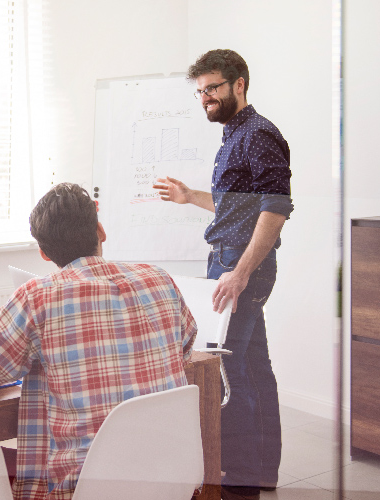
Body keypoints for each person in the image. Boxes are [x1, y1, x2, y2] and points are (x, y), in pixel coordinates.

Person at [0, 182, 198, 500]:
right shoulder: (159, 279)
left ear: (43, 252)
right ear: (101, 231)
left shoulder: (36, 297)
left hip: (86, 488)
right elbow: (186, 345)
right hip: (171, 476)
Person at [153, 49, 292, 500]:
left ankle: (241, 479)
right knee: (254, 366)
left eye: (211, 88)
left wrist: (239, 273)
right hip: (232, 259)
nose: (205, 99)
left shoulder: (259, 135)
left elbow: (275, 209)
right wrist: (190, 196)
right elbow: (242, 207)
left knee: (230, 370)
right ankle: (262, 472)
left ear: (239, 85)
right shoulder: (235, 135)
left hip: (239, 265)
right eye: (199, 92)